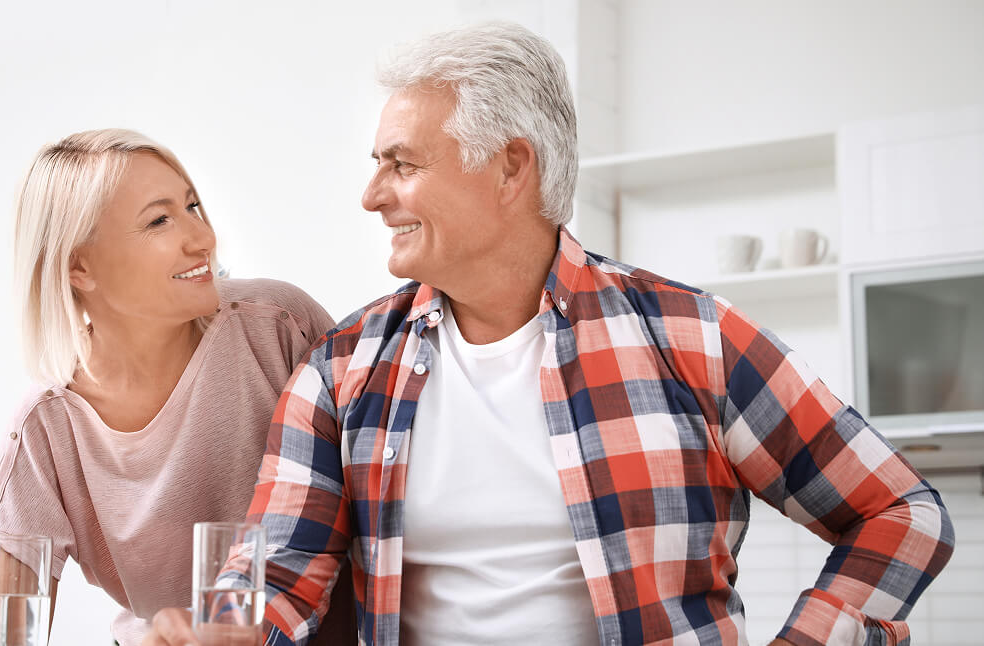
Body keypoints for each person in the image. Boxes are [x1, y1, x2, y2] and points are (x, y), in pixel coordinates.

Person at [145, 22, 955, 646]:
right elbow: (275, 575)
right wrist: (228, 630)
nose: (371, 195)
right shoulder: (342, 372)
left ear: (510, 167)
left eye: (402, 164)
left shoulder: (690, 339)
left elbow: (899, 511)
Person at [0, 129, 355, 646]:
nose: (203, 238)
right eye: (159, 220)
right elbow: (2, 632)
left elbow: (377, 495)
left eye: (193, 206)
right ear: (79, 265)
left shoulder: (279, 325)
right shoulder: (48, 427)